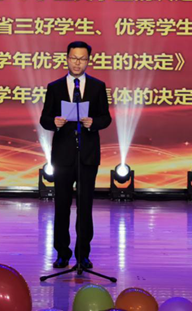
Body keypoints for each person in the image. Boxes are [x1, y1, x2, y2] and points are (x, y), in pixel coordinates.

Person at [40, 41, 112, 269]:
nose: (77, 63)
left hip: (87, 156)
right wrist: (55, 122)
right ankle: (62, 253)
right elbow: (44, 119)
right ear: (67, 58)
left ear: (88, 60)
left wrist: (93, 122)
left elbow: (106, 117)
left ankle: (83, 254)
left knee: (85, 207)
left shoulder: (97, 87)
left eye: (82, 59)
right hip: (63, 157)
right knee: (61, 207)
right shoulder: (55, 87)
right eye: (73, 58)